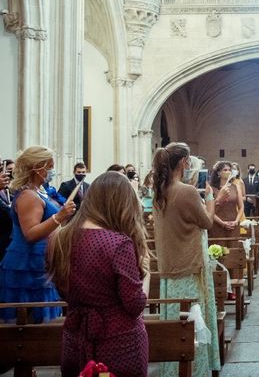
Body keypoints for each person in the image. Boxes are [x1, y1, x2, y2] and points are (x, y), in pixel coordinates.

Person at [47, 171, 149, 377]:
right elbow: (135, 304)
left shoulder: (60, 237)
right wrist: (146, 274)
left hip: (75, 339)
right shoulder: (118, 244)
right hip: (118, 342)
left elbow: (63, 290)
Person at [151, 142, 220, 375]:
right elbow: (207, 222)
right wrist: (210, 199)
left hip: (170, 268)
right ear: (183, 162)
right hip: (190, 267)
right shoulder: (187, 191)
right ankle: (197, 369)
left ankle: (171, 370)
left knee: (174, 321)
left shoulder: (160, 191)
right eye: (189, 160)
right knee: (192, 321)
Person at [0, 146, 76, 323]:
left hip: (40, 259)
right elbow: (31, 233)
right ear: (37, 167)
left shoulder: (39, 192)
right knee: (30, 319)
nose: (51, 171)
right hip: (27, 263)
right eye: (49, 166)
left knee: (42, 316)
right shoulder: (28, 196)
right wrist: (59, 216)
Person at [209, 161, 242, 238]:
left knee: (234, 248)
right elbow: (209, 209)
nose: (228, 172)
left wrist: (236, 221)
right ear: (218, 173)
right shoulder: (211, 188)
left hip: (233, 223)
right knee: (219, 248)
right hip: (217, 223)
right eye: (225, 170)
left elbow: (241, 207)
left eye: (229, 170)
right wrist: (222, 223)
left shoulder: (236, 187)